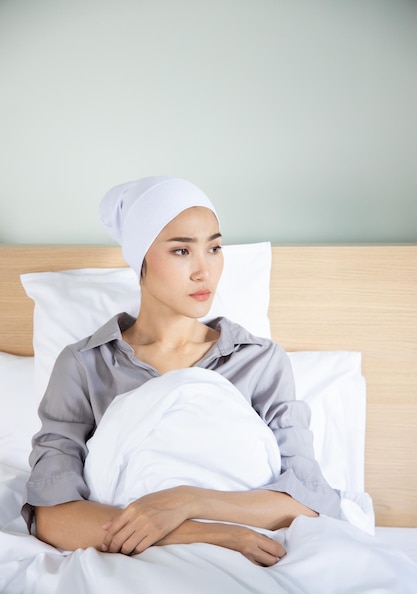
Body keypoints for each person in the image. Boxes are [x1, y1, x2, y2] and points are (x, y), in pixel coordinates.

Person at [23, 176, 341, 567]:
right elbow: (53, 516)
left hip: (257, 561)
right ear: (141, 259)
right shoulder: (86, 364)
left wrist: (187, 500)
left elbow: (309, 501)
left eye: (214, 248)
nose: (204, 271)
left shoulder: (258, 360)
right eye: (181, 251)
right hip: (135, 564)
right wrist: (207, 533)